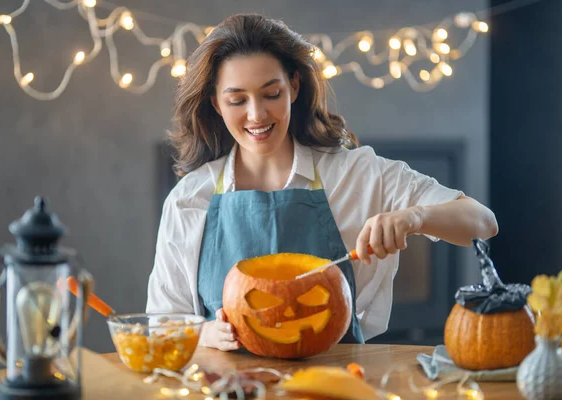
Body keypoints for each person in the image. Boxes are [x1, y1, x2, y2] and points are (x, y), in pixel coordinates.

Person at [146, 13, 498, 351]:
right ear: (216, 104)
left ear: (294, 86)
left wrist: (414, 218)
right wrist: (204, 333)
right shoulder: (190, 198)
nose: (257, 115)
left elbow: (483, 224)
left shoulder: (357, 174)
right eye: (237, 99)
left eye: (271, 94)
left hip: (336, 382)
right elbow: (161, 326)